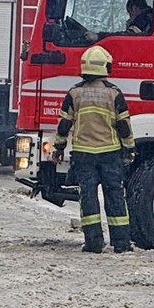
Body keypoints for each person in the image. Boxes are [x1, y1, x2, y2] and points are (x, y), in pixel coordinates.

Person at [52, 45, 135, 253]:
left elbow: (64, 124)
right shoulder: (113, 93)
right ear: (105, 67)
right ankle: (121, 244)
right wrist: (129, 149)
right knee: (115, 196)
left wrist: (59, 147)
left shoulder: (75, 93)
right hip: (110, 153)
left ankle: (94, 243)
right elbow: (123, 126)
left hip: (83, 154)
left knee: (88, 197)